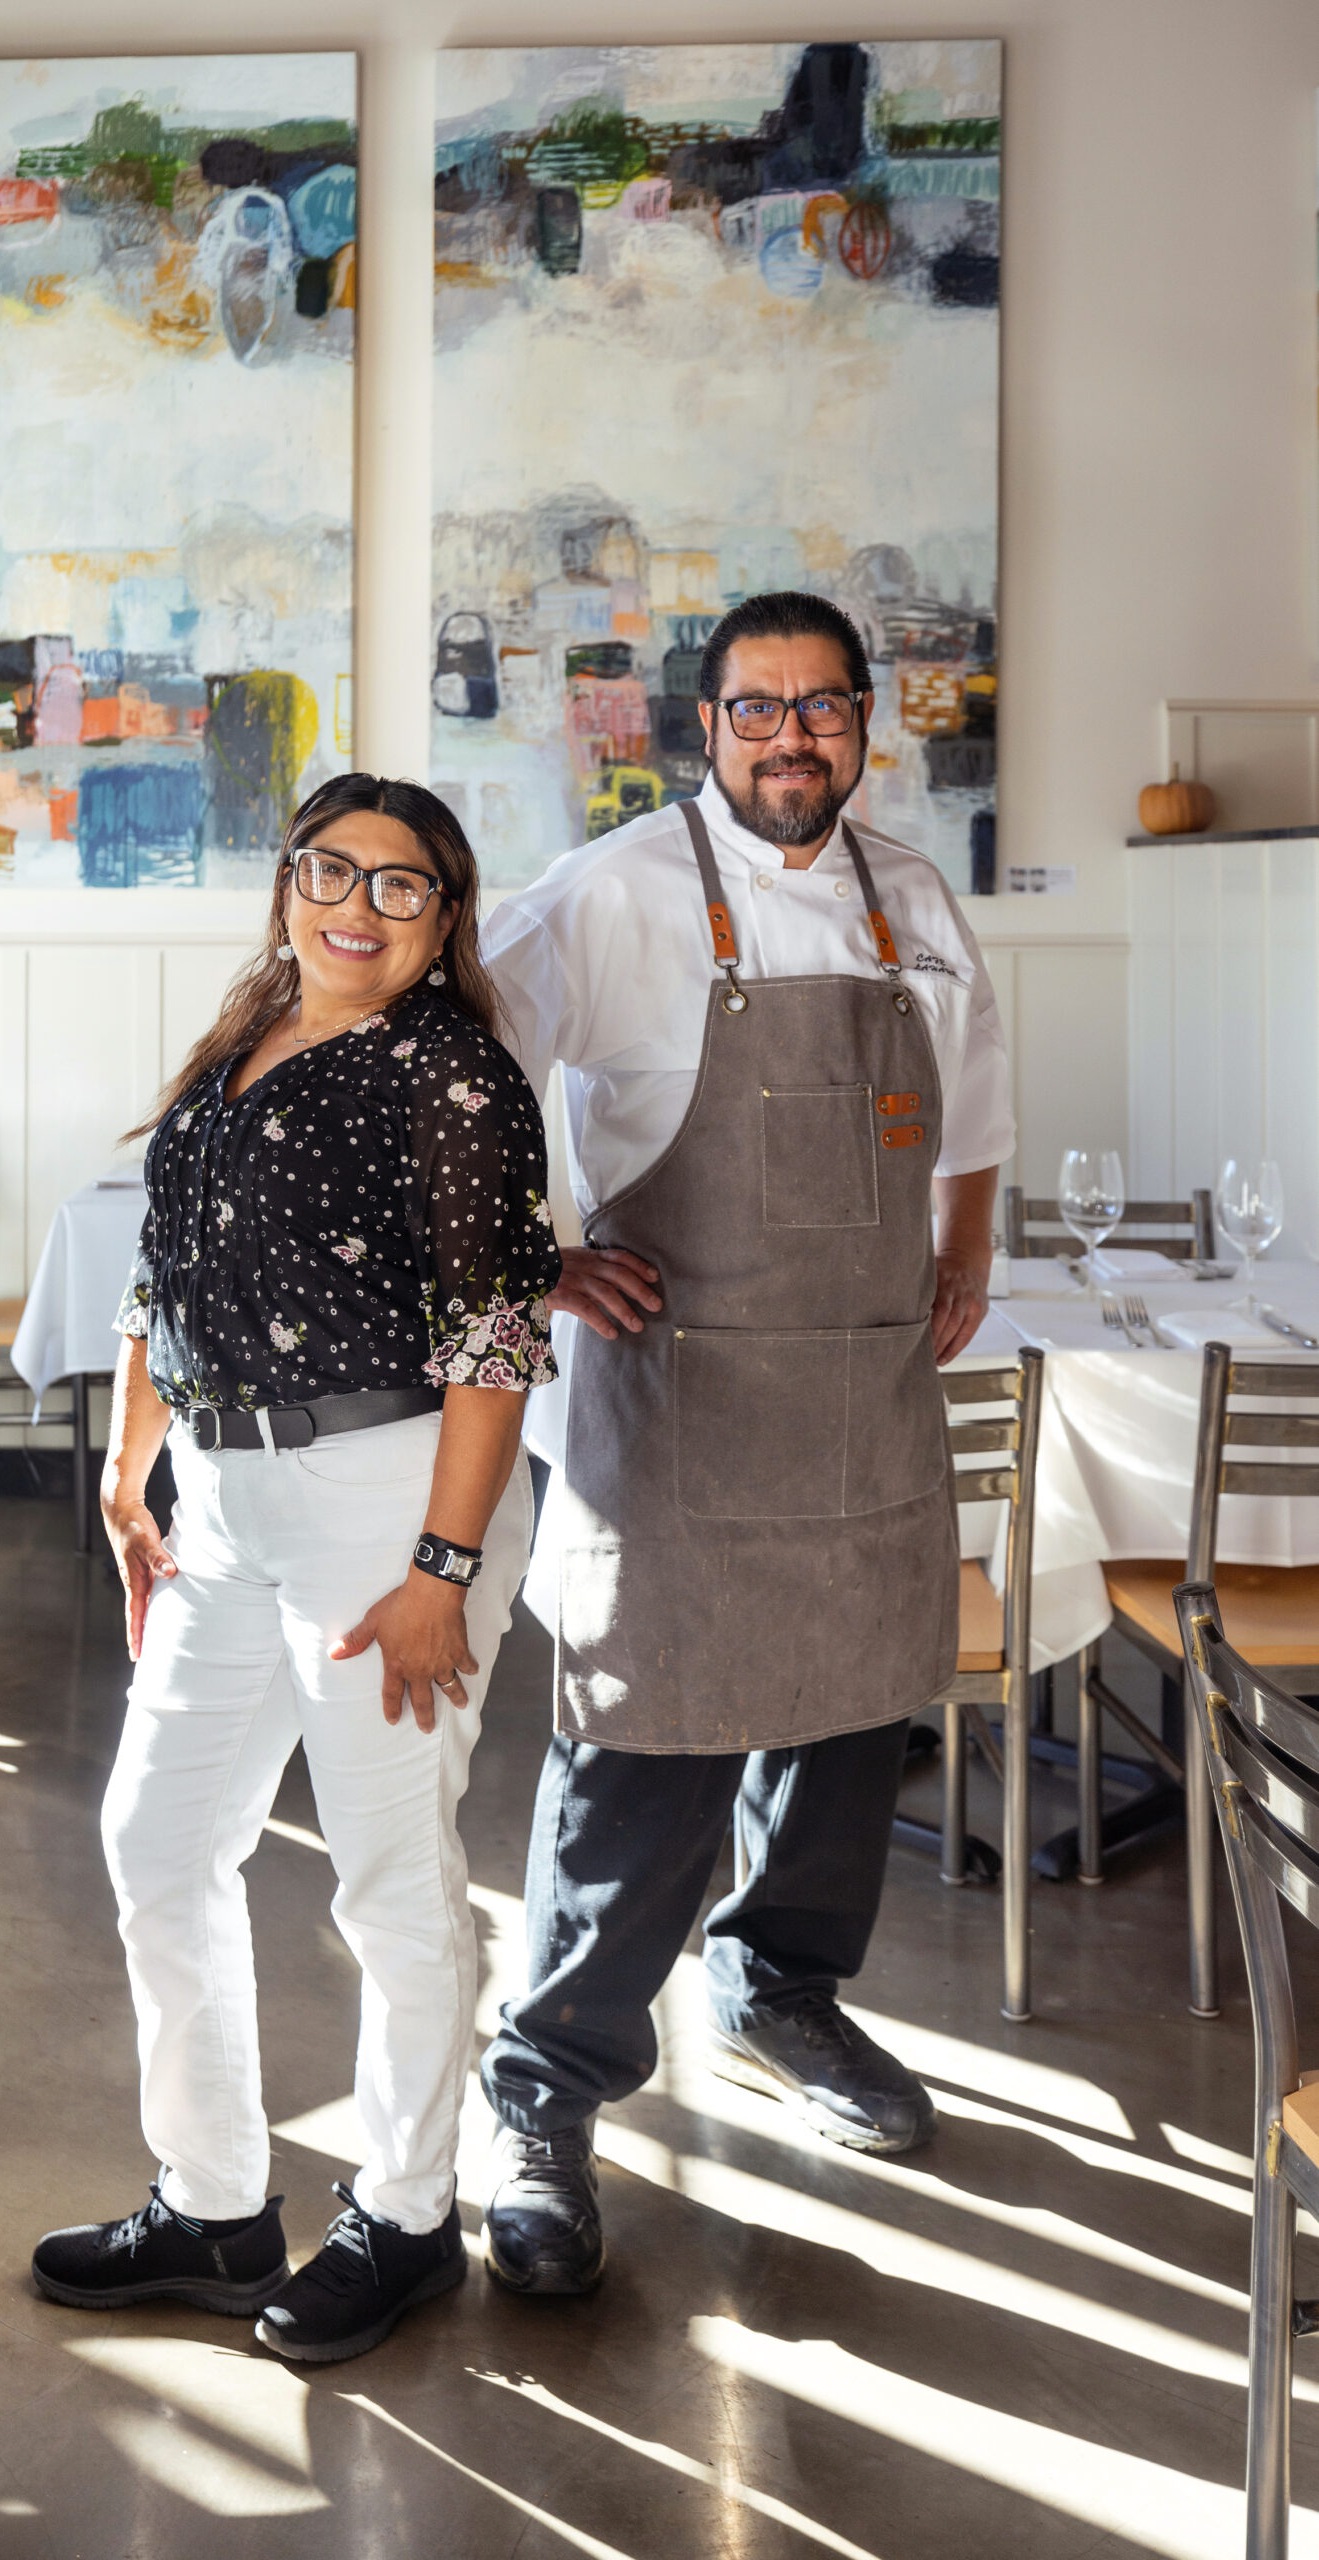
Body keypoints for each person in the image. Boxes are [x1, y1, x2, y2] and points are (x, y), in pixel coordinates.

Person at [476, 590, 1014, 2293]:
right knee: (647, 1747)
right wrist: (537, 1256)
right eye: (760, 709)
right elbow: (472, 1074)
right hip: (676, 1403)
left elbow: (976, 1104)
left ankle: (784, 1988)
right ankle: (547, 2088)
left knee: (853, 1719)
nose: (795, 737)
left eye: (824, 708)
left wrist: (970, 1249)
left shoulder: (912, 899)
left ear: (867, 723)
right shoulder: (611, 896)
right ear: (707, 730)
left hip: (858, 1393)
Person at [31, 774, 559, 2363]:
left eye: (402, 889)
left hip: (391, 1498)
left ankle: (406, 2219)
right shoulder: (241, 1038)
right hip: (228, 1496)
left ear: (443, 921)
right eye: (331, 870)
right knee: (157, 1838)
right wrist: (133, 1467)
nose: (357, 906)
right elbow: (159, 1269)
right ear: (286, 881)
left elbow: (496, 1342)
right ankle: (214, 2201)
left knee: (392, 1878)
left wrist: (441, 1572)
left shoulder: (453, 1075)